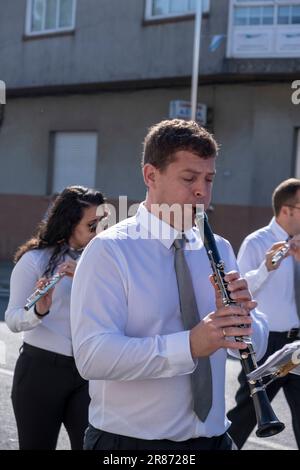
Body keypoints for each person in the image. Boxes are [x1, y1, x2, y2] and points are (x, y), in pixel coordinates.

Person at [70, 119, 268, 451]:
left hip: (213, 438)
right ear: (150, 176)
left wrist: (243, 322)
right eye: (189, 178)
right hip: (130, 445)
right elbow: (92, 357)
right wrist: (189, 345)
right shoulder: (110, 250)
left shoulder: (219, 247)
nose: (201, 191)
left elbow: (249, 347)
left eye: (208, 179)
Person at [5, 185, 107, 450]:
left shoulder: (102, 261)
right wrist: (39, 310)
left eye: (103, 223)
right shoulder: (35, 259)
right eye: (92, 224)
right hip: (41, 372)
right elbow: (14, 319)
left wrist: (88, 277)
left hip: (88, 372)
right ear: (71, 221)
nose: (99, 230)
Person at [227, 178, 300, 449]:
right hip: (268, 344)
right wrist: (266, 267)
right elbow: (239, 289)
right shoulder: (257, 242)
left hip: (297, 344)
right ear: (287, 210)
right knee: (246, 414)